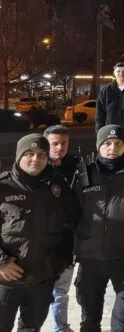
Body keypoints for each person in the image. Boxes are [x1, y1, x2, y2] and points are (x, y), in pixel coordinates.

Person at [74, 125, 124, 332]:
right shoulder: (86, 173)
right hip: (90, 257)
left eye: (118, 143)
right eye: (107, 143)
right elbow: (73, 213)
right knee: (89, 316)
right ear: (99, 146)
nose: (113, 148)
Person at [0, 134, 80, 332]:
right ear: (19, 156)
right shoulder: (3, 187)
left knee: (32, 328)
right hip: (5, 280)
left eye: (41, 155)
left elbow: (72, 223)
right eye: (29, 153)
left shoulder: (58, 188)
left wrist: (61, 262)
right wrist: (1, 262)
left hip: (41, 280)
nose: (35, 159)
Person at [44, 125, 82, 332]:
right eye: (55, 143)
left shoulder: (78, 167)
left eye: (64, 143)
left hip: (68, 241)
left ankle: (61, 327)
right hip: (42, 241)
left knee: (61, 290)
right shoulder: (36, 168)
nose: (60, 147)